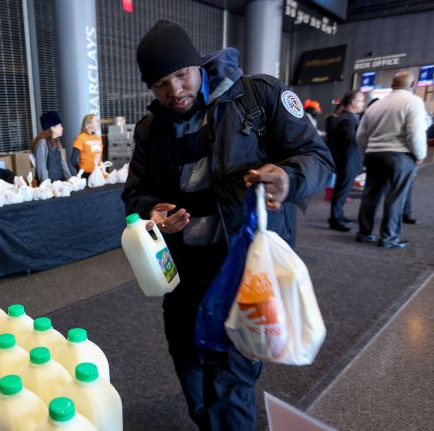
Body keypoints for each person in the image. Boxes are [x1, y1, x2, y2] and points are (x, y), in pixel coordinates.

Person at [123, 21, 332, 430]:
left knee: (231, 381)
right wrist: (153, 212)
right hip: (182, 275)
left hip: (244, 272)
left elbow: (318, 158)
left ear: (196, 63)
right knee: (189, 365)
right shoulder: (150, 129)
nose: (174, 91)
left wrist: (288, 178)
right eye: (161, 84)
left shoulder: (259, 96)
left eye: (181, 75)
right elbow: (134, 194)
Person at [356, 71, 428, 248]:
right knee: (395, 197)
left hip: (373, 155)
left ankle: (364, 233)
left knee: (370, 195)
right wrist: (419, 155)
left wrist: (369, 151)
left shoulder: (375, 106)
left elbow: (360, 136)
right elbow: (415, 134)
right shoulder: (413, 102)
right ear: (411, 86)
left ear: (392, 84)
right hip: (399, 155)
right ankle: (388, 238)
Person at [327, 90, 365, 232]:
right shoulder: (347, 119)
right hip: (346, 161)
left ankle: (339, 215)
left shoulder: (346, 117)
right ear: (353, 102)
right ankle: (335, 219)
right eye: (361, 100)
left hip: (347, 160)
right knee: (341, 190)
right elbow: (350, 141)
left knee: (342, 190)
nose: (363, 103)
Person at [32, 111, 72, 182]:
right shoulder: (42, 142)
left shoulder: (57, 141)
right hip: (49, 186)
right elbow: (41, 167)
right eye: (60, 126)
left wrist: (70, 178)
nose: (62, 128)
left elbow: (63, 162)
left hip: (60, 183)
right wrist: (47, 186)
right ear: (52, 128)